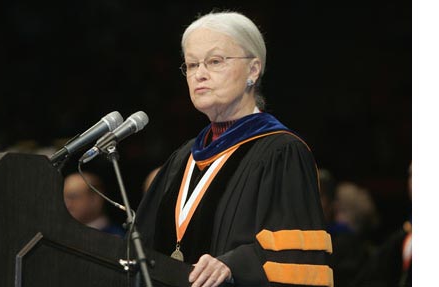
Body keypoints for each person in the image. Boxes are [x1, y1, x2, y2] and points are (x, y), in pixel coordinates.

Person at [135, 11, 332, 287]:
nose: (199, 74)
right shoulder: (184, 157)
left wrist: (234, 265)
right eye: (192, 65)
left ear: (253, 70)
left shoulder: (282, 152)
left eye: (214, 61)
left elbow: (295, 260)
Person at [63, 171, 125, 237]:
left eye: (73, 196)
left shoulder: (115, 238)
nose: (67, 204)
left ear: (95, 199)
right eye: (64, 198)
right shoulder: (62, 234)